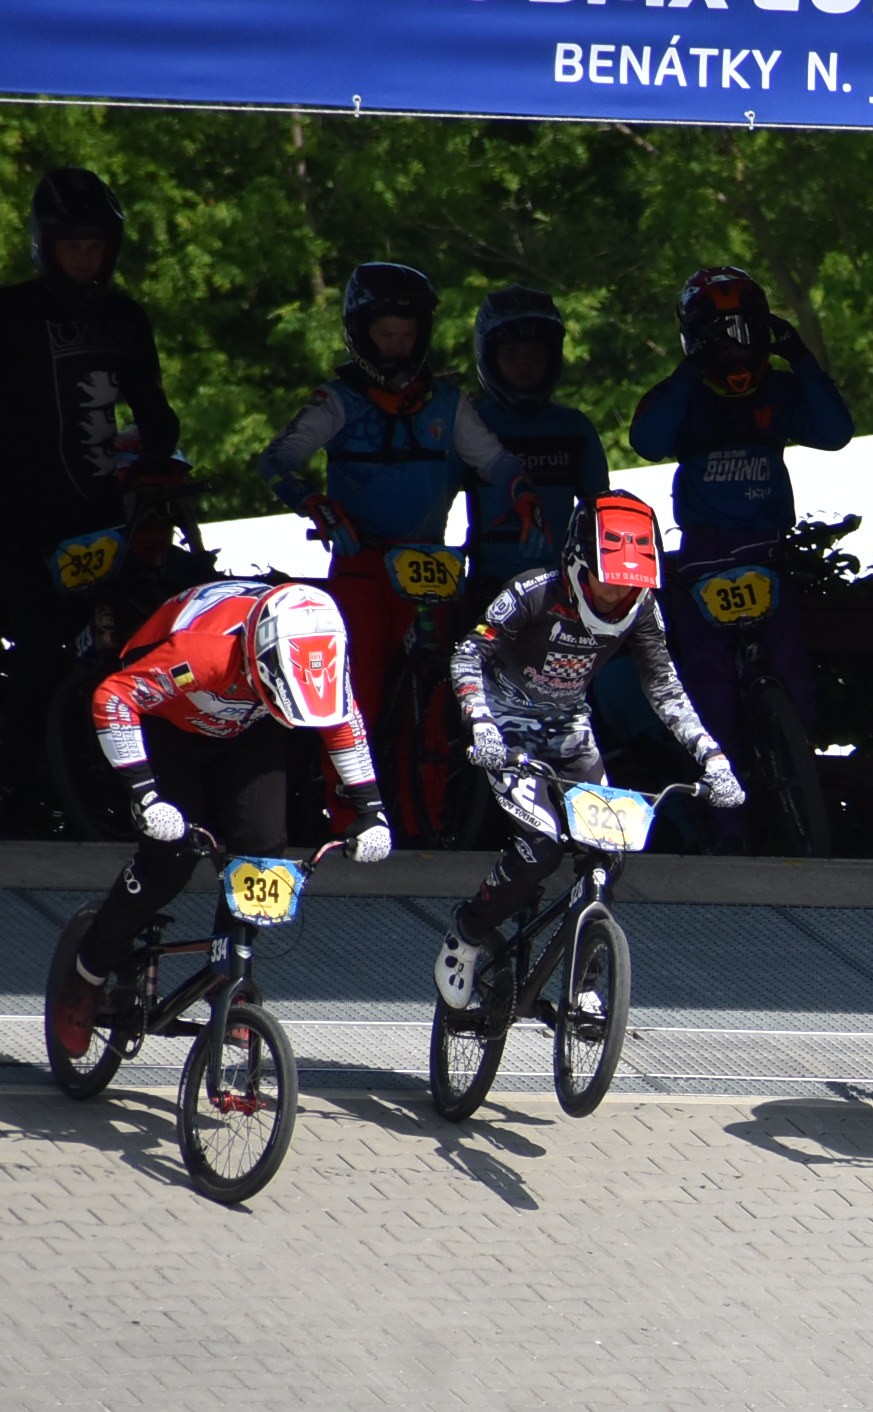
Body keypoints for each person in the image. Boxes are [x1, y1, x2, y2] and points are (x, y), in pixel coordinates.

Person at [47, 580, 393, 1056]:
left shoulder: (317, 649)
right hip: (167, 721)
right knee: (168, 860)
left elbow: (343, 721)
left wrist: (372, 812)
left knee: (263, 850)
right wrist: (146, 798)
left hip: (252, 725)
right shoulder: (203, 652)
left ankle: (230, 975)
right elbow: (112, 698)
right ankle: (87, 972)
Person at [430, 491, 742, 1008]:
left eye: (632, 584)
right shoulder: (531, 592)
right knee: (542, 848)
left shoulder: (643, 609)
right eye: (609, 579)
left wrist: (714, 758)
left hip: (570, 731)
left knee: (608, 851)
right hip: (504, 731)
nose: (619, 594)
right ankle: (467, 931)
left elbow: (664, 687)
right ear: (578, 564)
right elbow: (468, 654)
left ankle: (586, 980)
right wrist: (481, 724)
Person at [255, 261, 529, 744]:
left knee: (438, 698)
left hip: (431, 564)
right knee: (357, 691)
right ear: (360, 334)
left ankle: (428, 793)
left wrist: (522, 492)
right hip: (362, 562)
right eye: (385, 334)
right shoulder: (338, 400)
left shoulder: (448, 402)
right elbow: (274, 460)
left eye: (407, 335)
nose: (398, 346)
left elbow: (496, 461)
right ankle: (353, 791)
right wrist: (314, 502)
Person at [627, 265, 855, 841]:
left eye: (746, 332)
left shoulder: (778, 390)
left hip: (768, 554)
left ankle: (794, 796)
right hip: (702, 561)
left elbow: (835, 432)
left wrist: (799, 356)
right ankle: (726, 827)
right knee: (712, 696)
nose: (735, 350)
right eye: (718, 337)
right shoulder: (686, 396)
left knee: (793, 683)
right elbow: (647, 441)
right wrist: (691, 370)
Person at [0, 169, 182, 659]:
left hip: (103, 516)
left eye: (94, 245)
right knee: (39, 654)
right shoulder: (10, 313)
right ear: (46, 246)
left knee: (130, 642)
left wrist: (157, 463)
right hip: (19, 520)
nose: (84, 257)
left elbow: (153, 411)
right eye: (72, 246)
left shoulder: (126, 318)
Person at [463, 286, 609, 610]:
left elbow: (600, 514)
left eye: (534, 353)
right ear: (489, 356)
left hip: (564, 589)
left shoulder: (574, 427)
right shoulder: (471, 425)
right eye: (512, 353)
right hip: (488, 590)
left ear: (552, 357)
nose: (524, 364)